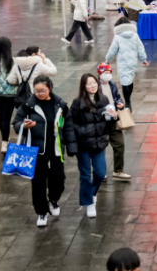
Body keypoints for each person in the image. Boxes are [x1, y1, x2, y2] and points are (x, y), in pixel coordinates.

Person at [12, 75, 77, 227]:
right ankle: (41, 212)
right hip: (36, 152)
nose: (40, 94)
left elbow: (68, 126)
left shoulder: (60, 105)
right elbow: (16, 122)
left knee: (58, 180)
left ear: (50, 88)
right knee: (38, 184)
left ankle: (53, 200)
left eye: (43, 90)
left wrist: (72, 147)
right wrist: (24, 125)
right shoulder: (28, 105)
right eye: (36, 91)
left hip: (55, 151)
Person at [71, 73, 116, 218]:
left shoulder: (103, 99)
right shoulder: (77, 102)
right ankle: (89, 203)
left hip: (99, 143)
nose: (93, 86)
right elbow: (71, 124)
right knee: (85, 174)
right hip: (83, 144)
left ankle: (92, 193)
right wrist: (84, 131)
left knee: (100, 173)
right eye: (89, 84)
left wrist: (114, 116)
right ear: (84, 86)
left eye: (94, 83)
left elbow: (109, 121)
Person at [105, 17, 148, 111]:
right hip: (133, 62)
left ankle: (128, 103)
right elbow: (140, 47)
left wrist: (107, 59)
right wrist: (143, 59)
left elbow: (112, 50)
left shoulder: (117, 37)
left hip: (122, 63)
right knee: (130, 81)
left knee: (125, 83)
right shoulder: (135, 35)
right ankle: (128, 100)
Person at [97, 63, 130, 181]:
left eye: (109, 73)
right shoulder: (95, 85)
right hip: (101, 121)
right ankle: (101, 172)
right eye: (105, 73)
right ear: (99, 74)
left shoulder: (112, 84)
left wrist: (120, 104)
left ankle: (118, 170)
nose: (108, 75)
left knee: (119, 144)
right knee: (100, 147)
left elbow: (117, 97)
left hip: (113, 118)